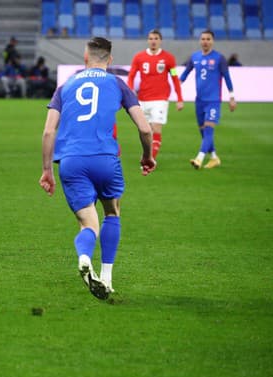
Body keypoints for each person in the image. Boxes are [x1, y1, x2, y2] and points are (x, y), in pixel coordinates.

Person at [39, 37, 155, 300]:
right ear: (110, 60)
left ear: (85, 57)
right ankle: (107, 276)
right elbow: (145, 128)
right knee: (112, 212)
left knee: (87, 223)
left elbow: (48, 132)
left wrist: (47, 170)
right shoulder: (117, 84)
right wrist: (147, 156)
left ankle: (83, 257)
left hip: (71, 161)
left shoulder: (65, 86)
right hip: (105, 158)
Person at [180, 30, 236, 169]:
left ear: (212, 41)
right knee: (203, 131)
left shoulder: (219, 58)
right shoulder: (194, 57)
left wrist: (232, 97)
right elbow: (185, 74)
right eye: (203, 39)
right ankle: (214, 157)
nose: (205, 41)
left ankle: (199, 158)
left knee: (209, 130)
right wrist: (173, 85)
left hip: (213, 101)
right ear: (200, 41)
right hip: (199, 101)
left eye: (208, 39)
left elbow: (227, 78)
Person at [127, 29, 184, 162]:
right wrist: (130, 91)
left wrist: (180, 98)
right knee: (145, 130)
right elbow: (131, 76)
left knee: (156, 128)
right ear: (148, 40)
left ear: (160, 41)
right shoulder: (139, 57)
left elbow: (175, 78)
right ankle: (148, 155)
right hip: (142, 99)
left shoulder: (168, 58)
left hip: (160, 99)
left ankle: (150, 160)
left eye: (156, 38)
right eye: (151, 38)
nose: (153, 41)